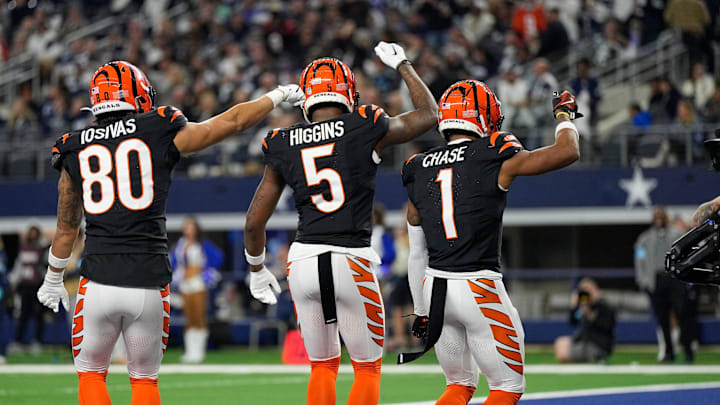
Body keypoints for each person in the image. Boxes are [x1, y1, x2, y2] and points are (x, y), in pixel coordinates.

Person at [35, 60, 303, 405]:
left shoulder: (72, 145)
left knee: (90, 374)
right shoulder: (158, 126)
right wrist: (276, 95)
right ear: (137, 95)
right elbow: (231, 122)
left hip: (98, 279)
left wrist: (54, 277)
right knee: (145, 381)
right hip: (149, 279)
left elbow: (67, 225)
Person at [243, 42, 437, 405]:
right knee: (366, 367)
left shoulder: (282, 140)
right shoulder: (364, 124)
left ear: (306, 99)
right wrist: (404, 66)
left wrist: (256, 268)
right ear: (348, 93)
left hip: (302, 262)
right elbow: (429, 114)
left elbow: (255, 220)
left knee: (321, 366)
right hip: (351, 257)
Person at [400, 83, 581, 405]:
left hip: (435, 289)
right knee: (506, 387)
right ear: (484, 116)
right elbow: (567, 151)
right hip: (478, 287)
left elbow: (417, 250)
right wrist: (565, 115)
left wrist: (421, 311)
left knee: (458, 386)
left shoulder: (417, 165)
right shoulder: (493, 151)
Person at [636, 207, 696, 362]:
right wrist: (643, 281)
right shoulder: (645, 239)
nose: (659, 220)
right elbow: (639, 261)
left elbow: (688, 253)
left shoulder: (677, 234)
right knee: (662, 318)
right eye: (656, 217)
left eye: (661, 216)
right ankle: (669, 352)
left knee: (681, 314)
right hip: (656, 280)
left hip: (674, 278)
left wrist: (686, 275)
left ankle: (687, 350)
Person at [170, 218, 220, 363]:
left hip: (198, 282)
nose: (188, 230)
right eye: (186, 227)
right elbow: (174, 262)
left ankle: (199, 352)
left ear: (196, 229)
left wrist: (207, 272)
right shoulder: (180, 245)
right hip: (185, 283)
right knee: (189, 318)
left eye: (191, 227)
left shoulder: (202, 244)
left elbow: (217, 257)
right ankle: (190, 351)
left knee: (199, 316)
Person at [554, 278, 616, 363]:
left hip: (598, 345)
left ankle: (594, 358)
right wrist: (574, 307)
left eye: (589, 290)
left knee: (563, 353)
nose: (586, 294)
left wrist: (590, 314)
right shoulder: (583, 307)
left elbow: (607, 325)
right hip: (584, 341)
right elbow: (573, 321)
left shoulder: (604, 306)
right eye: (583, 291)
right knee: (561, 342)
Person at [9, 225, 48, 355]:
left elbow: (45, 266)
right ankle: (18, 341)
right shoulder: (23, 248)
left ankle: (37, 341)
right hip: (25, 286)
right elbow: (19, 265)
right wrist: (14, 281)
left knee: (38, 315)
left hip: (38, 286)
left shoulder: (42, 249)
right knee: (23, 315)